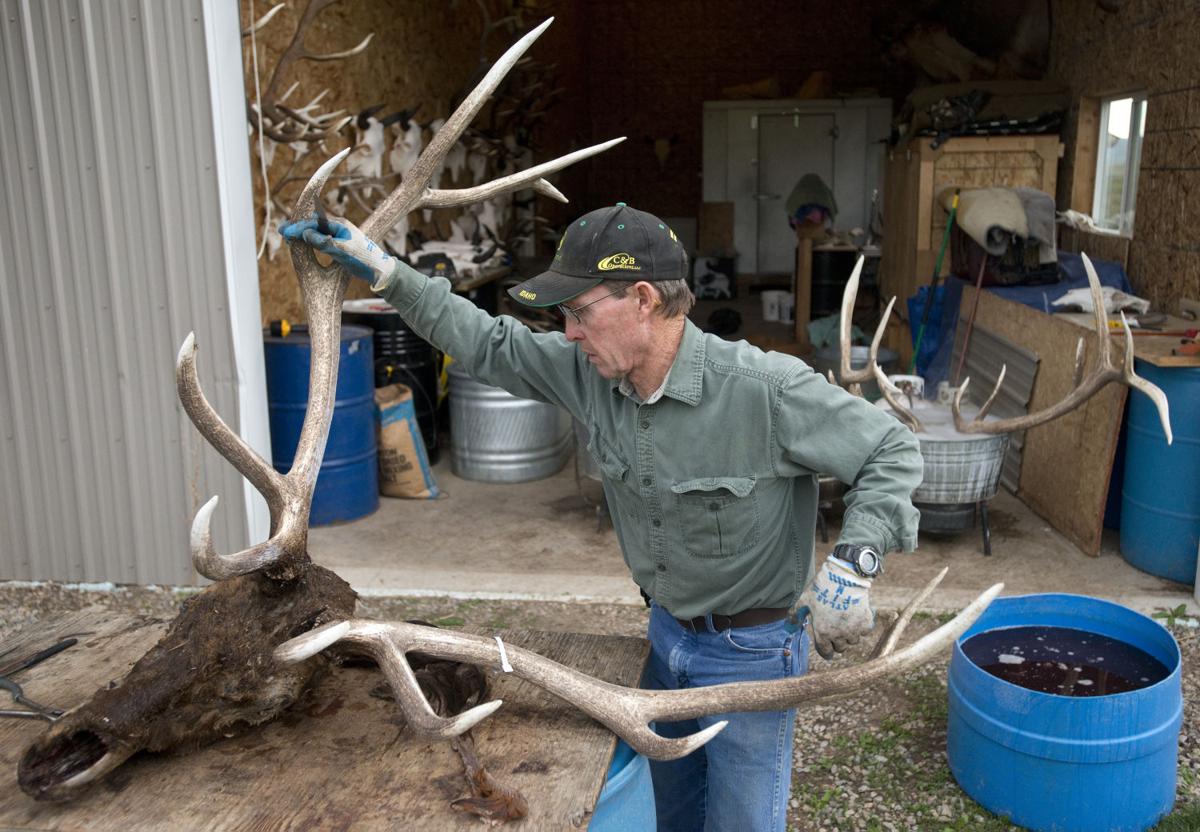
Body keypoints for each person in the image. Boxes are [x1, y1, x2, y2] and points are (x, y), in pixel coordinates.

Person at [281, 203, 922, 832]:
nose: (568, 333)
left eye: (581, 312)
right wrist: (385, 271)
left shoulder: (765, 391)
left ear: (643, 299)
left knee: (742, 820)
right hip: (665, 637)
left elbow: (892, 447)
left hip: (750, 655)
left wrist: (854, 564)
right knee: (671, 810)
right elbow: (485, 342)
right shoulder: (590, 375)